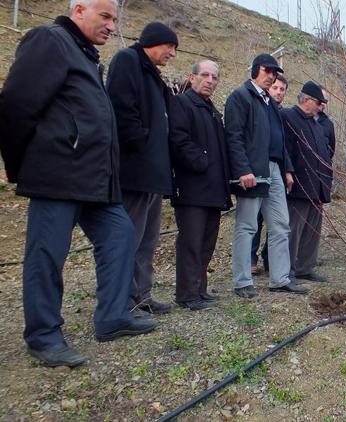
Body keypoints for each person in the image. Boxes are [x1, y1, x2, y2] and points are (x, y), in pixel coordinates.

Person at [0, 0, 156, 367]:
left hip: (95, 180)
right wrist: (17, 164)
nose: (111, 26)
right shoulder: (49, 41)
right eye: (104, 16)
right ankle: (43, 335)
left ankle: (112, 317)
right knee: (47, 254)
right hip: (57, 175)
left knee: (121, 235)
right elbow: (15, 105)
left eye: (114, 20)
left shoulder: (86, 56)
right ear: (79, 10)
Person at [107, 21, 178, 315]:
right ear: (153, 41)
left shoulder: (153, 75)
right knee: (129, 240)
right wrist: (142, 143)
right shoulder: (127, 60)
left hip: (152, 175)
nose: (172, 54)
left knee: (147, 241)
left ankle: (141, 295)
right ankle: (121, 300)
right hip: (135, 172)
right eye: (170, 47)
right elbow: (122, 109)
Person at [225, 53, 308, 298]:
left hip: (274, 170)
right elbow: (233, 136)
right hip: (252, 170)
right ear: (255, 70)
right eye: (267, 71)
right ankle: (242, 282)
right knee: (248, 225)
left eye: (274, 72)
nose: (271, 76)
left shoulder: (269, 103)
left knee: (281, 225)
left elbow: (279, 141)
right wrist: (242, 169)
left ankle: (280, 278)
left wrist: (286, 170)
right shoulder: (240, 97)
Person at [169, 60, 232, 311]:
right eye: (204, 75)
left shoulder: (211, 110)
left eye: (214, 77)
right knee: (191, 243)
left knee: (207, 242)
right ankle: (186, 294)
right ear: (192, 77)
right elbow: (178, 141)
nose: (209, 80)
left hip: (213, 188)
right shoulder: (182, 103)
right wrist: (202, 161)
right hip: (192, 188)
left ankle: (199, 289)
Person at [282, 82, 333, 282]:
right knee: (293, 230)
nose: (321, 106)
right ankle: (287, 269)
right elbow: (283, 147)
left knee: (312, 230)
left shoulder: (316, 123)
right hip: (299, 184)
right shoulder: (288, 116)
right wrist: (288, 171)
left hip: (318, 186)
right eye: (319, 102)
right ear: (306, 99)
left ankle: (305, 267)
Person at [251, 74, 288, 275]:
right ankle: (250, 260)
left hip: (278, 170)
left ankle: (269, 260)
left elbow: (284, 146)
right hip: (258, 167)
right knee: (255, 218)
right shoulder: (258, 107)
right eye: (275, 88)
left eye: (282, 89)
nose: (278, 92)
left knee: (276, 220)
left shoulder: (283, 114)